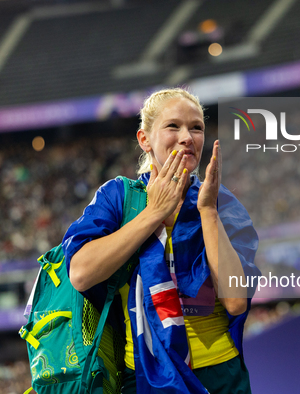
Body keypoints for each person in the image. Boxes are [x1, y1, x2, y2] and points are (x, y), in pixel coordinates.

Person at [62, 88, 260, 393]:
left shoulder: (220, 201)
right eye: (173, 126)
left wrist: (207, 211)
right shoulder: (119, 198)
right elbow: (81, 273)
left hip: (219, 375)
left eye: (196, 128)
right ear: (144, 139)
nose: (187, 137)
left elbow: (235, 302)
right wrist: (153, 213)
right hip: (144, 376)